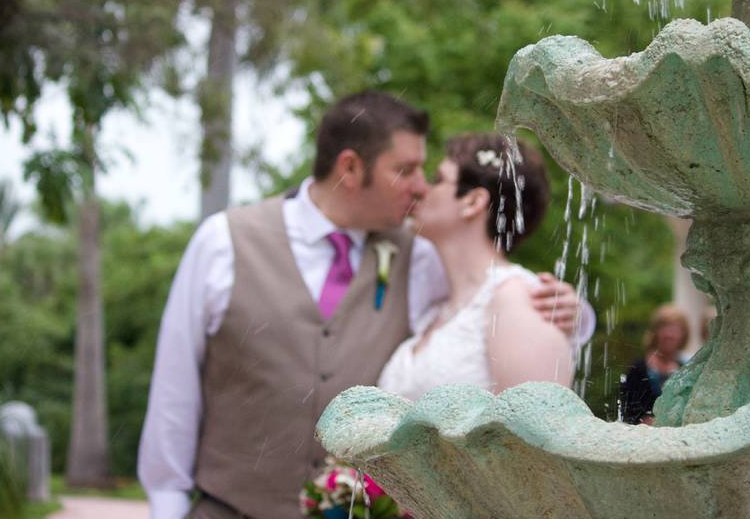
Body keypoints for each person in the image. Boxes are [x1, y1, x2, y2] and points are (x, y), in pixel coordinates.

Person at [138, 91, 596, 519]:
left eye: (429, 174)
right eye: (406, 170)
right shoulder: (224, 241)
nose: (419, 187)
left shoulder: (418, 255)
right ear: (351, 168)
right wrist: (168, 503)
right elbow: (175, 393)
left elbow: (498, 299)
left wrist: (575, 316)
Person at [378, 133, 589, 399]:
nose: (422, 190)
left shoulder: (518, 299)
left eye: (438, 180)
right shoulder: (435, 310)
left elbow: (534, 433)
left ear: (473, 202)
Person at [619, 304, 690, 425]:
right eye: (664, 328)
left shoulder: (686, 368)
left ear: (683, 334)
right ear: (655, 332)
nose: (669, 335)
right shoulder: (638, 369)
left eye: (675, 329)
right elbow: (628, 413)